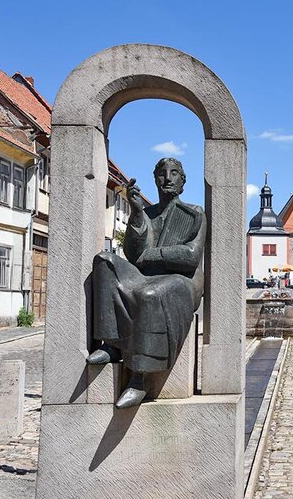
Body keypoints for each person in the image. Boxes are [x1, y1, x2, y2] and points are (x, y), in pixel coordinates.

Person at [87, 157, 205, 408]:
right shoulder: (147, 213)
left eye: (174, 174)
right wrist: (137, 213)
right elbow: (133, 253)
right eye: (162, 174)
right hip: (148, 275)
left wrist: (153, 255)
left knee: (150, 294)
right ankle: (112, 344)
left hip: (181, 282)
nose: (168, 179)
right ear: (155, 180)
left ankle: (139, 379)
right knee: (104, 261)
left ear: (183, 181)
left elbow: (190, 257)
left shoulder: (194, 214)